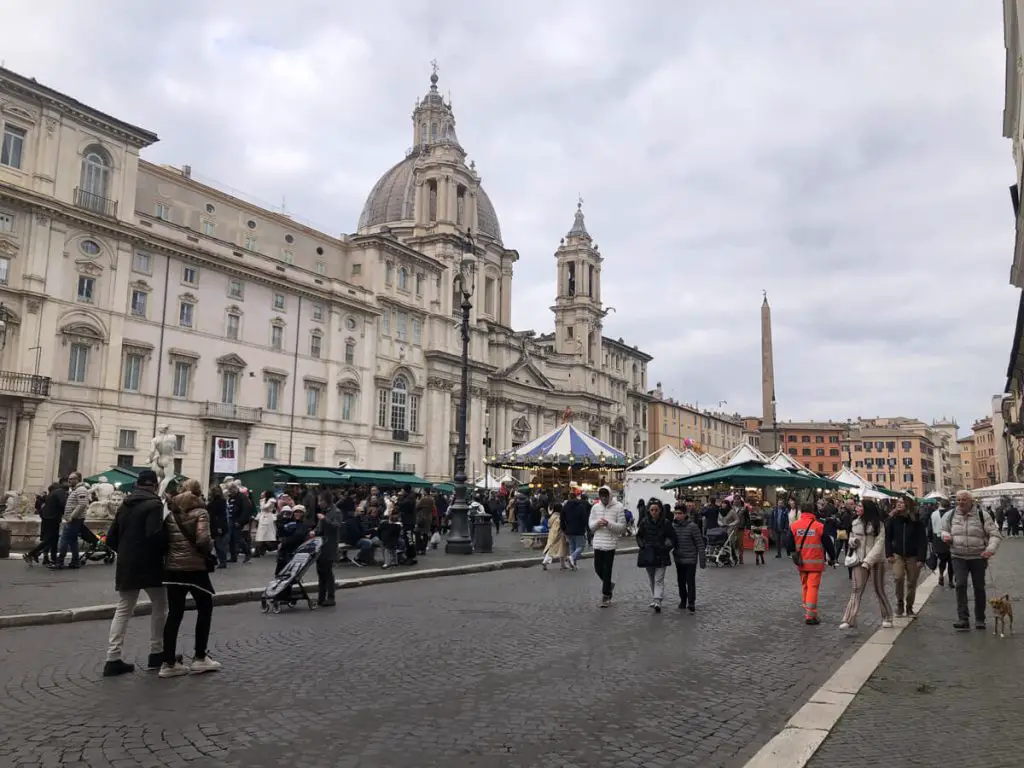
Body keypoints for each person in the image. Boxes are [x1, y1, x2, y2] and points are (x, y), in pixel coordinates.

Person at [102, 470, 169, 676]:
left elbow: (111, 537)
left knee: (123, 609)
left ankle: (112, 658)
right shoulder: (155, 504)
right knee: (160, 606)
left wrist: (125, 552)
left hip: (127, 564)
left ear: (137, 485)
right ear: (155, 486)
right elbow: (154, 534)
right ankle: (156, 652)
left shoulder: (125, 505)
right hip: (149, 564)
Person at [161, 479, 219, 677]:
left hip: (173, 569)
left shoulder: (171, 514)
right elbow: (203, 539)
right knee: (205, 608)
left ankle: (168, 663)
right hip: (195, 568)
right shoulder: (201, 512)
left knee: (174, 613)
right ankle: (200, 657)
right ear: (198, 494)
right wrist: (209, 548)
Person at [942, 490, 1001, 631]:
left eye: (963, 500)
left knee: (979, 587)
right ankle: (963, 618)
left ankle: (980, 619)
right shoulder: (950, 515)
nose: (960, 502)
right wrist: (946, 536)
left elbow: (995, 535)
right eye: (958, 500)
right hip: (958, 556)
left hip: (978, 557)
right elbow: (943, 530)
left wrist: (990, 550)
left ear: (971, 502)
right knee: (960, 584)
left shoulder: (983, 515)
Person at [839, 499, 893, 630]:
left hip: (876, 561)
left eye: (859, 506)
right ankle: (849, 619)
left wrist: (869, 561)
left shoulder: (878, 525)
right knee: (856, 589)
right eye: (857, 505)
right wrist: (853, 542)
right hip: (858, 559)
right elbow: (850, 537)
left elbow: (879, 544)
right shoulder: (854, 522)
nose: (857, 508)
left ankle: (887, 617)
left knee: (879, 589)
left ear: (866, 509)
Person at [788, 502, 834, 625]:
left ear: (801, 511)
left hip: (801, 562)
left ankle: (807, 607)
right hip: (815, 563)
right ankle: (810, 615)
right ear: (813, 512)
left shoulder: (794, 525)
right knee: (813, 587)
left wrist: (793, 553)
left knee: (805, 586)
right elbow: (828, 544)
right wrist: (832, 558)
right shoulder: (819, 526)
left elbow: (789, 543)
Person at [885, 497, 928, 617]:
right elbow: (887, 538)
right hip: (897, 554)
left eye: (901, 502)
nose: (899, 504)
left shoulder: (916, 520)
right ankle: (899, 603)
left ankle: (909, 606)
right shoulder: (892, 519)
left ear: (908, 505)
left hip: (913, 555)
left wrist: (921, 558)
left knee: (912, 582)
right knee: (898, 578)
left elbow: (922, 540)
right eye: (898, 502)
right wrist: (889, 554)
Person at [635, 500, 677, 613]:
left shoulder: (666, 523)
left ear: (660, 511)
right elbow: (639, 536)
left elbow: (672, 537)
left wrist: (667, 547)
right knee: (652, 578)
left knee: (659, 578)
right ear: (649, 510)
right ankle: (655, 597)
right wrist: (643, 547)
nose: (654, 512)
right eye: (652, 510)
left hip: (661, 553)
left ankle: (657, 599)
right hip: (649, 553)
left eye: (656, 510)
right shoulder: (645, 522)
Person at [588, 486, 627, 607]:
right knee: (597, 568)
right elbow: (590, 525)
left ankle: (606, 595)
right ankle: (609, 584)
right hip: (598, 542)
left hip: (610, 543)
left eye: (606, 496)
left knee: (607, 569)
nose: (604, 498)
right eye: (602, 496)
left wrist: (608, 524)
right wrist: (597, 524)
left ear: (609, 495)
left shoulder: (619, 507)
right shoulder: (595, 507)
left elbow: (622, 528)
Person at [671, 502, 705, 612]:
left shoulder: (692, 526)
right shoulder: (673, 526)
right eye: (676, 513)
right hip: (679, 558)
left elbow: (699, 543)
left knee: (690, 581)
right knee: (681, 581)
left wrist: (702, 560)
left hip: (691, 558)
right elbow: (670, 541)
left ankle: (691, 602)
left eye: (680, 513)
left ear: (685, 514)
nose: (677, 515)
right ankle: (683, 600)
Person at [52, 472, 90, 569]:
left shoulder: (81, 489)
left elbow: (82, 504)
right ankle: (75, 561)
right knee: (73, 540)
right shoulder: (76, 490)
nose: (69, 480)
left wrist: (71, 517)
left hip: (74, 519)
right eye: (69, 478)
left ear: (78, 479)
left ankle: (60, 562)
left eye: (72, 478)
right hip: (74, 519)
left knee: (64, 539)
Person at [24, 482, 65, 566]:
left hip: (47, 518)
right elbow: (63, 504)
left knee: (53, 539)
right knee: (50, 539)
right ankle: (31, 554)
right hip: (53, 519)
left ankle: (51, 558)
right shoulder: (60, 491)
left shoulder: (50, 495)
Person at [315, 501, 342, 607]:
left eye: (321, 500)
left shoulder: (336, 512)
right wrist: (315, 531)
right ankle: (321, 598)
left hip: (329, 546)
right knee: (321, 572)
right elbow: (320, 528)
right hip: (321, 545)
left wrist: (324, 519)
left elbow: (336, 526)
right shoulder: (324, 511)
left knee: (328, 572)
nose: (320, 503)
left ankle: (331, 597)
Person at [928, 499, 955, 588]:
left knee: (942, 560)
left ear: (940, 505)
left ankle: (941, 574)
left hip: (938, 540)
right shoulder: (952, 514)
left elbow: (930, 528)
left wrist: (931, 540)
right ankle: (950, 581)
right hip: (950, 538)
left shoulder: (933, 514)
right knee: (951, 561)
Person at [561, 489, 589, 570]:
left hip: (569, 530)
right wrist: (586, 527)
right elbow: (584, 518)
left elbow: (562, 519)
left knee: (572, 547)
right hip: (579, 529)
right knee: (581, 546)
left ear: (569, 497)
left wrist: (564, 529)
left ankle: (573, 564)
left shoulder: (565, 507)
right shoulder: (580, 506)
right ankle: (572, 558)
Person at [541, 501, 569, 571]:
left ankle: (563, 565)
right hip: (559, 535)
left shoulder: (552, 516)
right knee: (557, 549)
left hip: (551, 533)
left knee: (558, 549)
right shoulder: (559, 517)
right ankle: (545, 562)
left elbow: (549, 525)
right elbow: (560, 527)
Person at [255, 491, 278, 557]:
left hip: (267, 519)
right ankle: (261, 550)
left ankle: (267, 548)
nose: (261, 495)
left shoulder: (271, 500)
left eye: (263, 494)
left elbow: (264, 507)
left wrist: (262, 501)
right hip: (264, 519)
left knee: (263, 535)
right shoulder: (266, 500)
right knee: (262, 536)